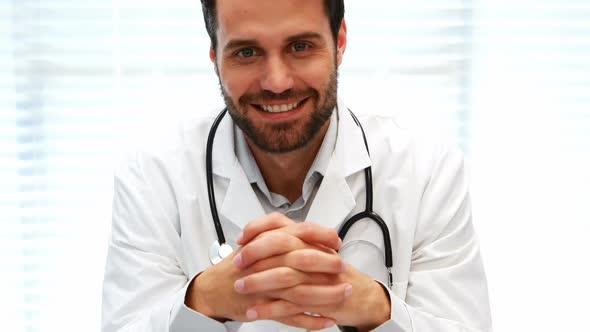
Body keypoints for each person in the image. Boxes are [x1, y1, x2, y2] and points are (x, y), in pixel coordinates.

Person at [101, 0, 492, 331]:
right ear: (214, 55)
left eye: (300, 47)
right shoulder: (152, 177)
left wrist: (376, 308)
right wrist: (203, 300)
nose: (276, 82)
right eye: (246, 52)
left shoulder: (427, 172)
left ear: (339, 42)